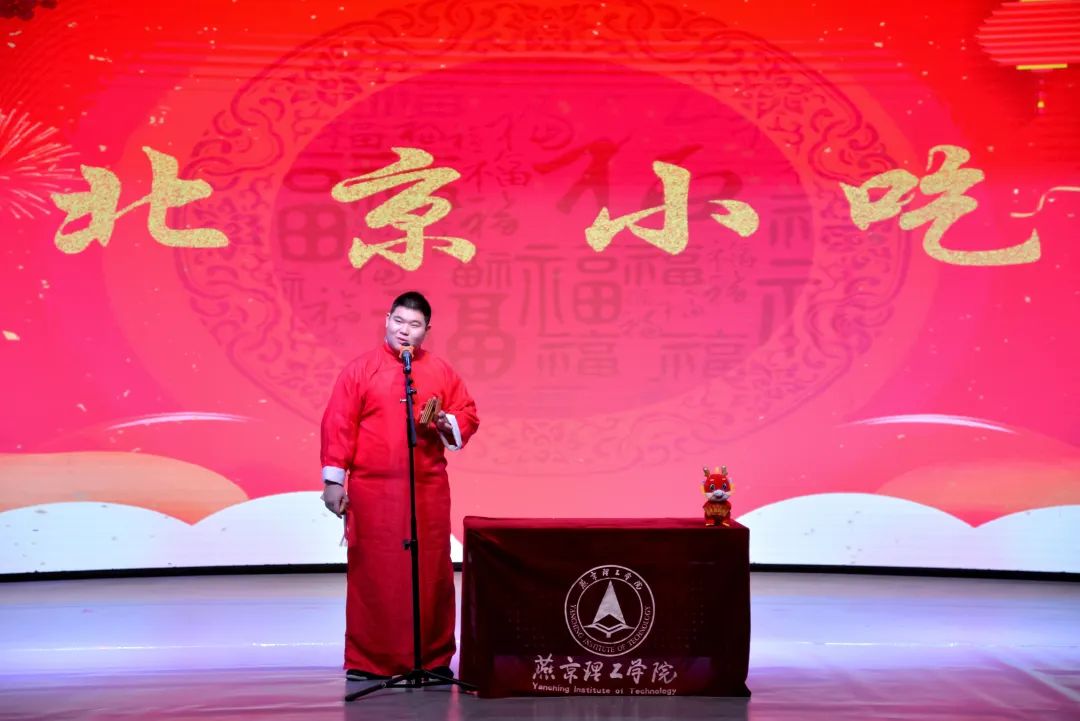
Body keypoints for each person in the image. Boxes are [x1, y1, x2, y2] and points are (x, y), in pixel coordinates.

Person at [319, 291, 479, 681]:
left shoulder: (439, 371)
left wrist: (447, 423)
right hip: (373, 492)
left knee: (431, 572)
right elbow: (339, 424)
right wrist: (333, 481)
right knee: (374, 574)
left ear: (427, 330)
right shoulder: (361, 370)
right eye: (399, 321)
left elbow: (467, 413)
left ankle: (433, 657)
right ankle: (370, 660)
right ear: (387, 320)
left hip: (426, 489)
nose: (404, 330)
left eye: (414, 325)